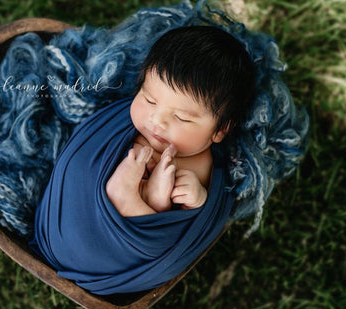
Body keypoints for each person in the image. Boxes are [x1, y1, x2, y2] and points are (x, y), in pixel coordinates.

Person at [106, 25, 256, 217]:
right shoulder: (129, 130)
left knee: (157, 216)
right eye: (150, 100)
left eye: (181, 117)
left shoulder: (203, 166)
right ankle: (143, 196)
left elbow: (202, 216)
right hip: (98, 208)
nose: (157, 120)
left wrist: (196, 199)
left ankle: (145, 201)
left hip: (140, 232)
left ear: (220, 131)